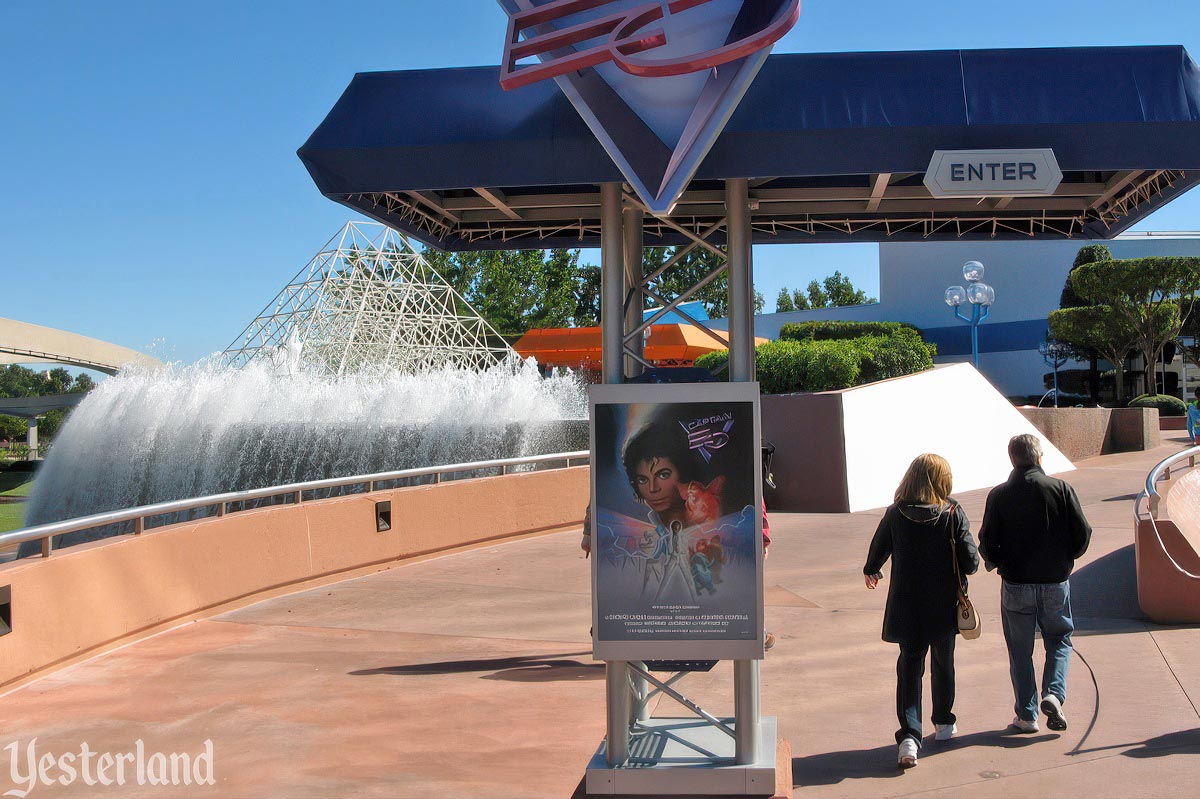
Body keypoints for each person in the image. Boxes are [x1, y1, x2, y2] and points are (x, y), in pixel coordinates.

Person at [863, 453, 978, 769]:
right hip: (944, 605)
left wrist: (872, 570)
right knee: (944, 662)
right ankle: (943, 723)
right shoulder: (952, 512)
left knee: (910, 668)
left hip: (908, 604)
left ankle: (910, 738)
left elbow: (876, 553)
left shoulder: (896, 514)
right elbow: (971, 562)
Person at [979, 434, 1091, 735]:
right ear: (1039, 456)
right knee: (1059, 640)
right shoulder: (1061, 489)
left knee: (1019, 650)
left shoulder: (1000, 495)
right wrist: (1066, 559)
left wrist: (999, 562)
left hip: (1016, 583)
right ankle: (1053, 693)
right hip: (1055, 580)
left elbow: (987, 542)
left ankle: (1027, 715)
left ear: (1012, 458)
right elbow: (1082, 533)